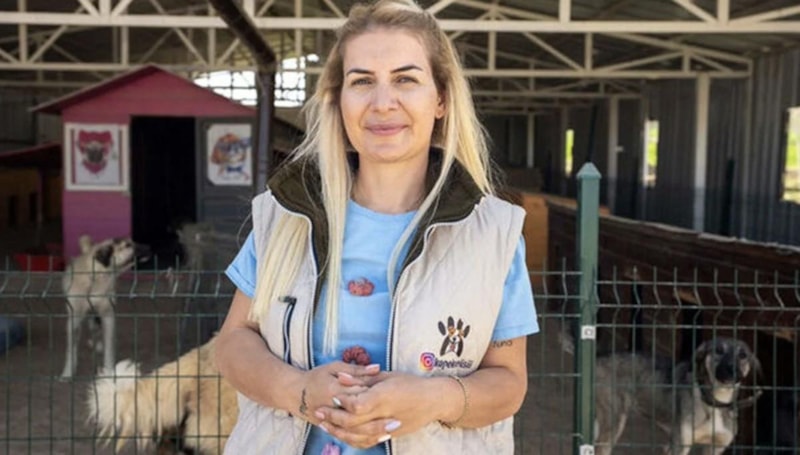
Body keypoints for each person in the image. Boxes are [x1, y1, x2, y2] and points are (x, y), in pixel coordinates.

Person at [215, 0, 539, 453]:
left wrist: (434, 399)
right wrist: (299, 392)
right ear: (338, 99)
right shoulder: (286, 215)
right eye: (362, 81)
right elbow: (233, 343)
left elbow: (508, 383)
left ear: (441, 99)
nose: (383, 103)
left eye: (406, 79)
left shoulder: (493, 234)